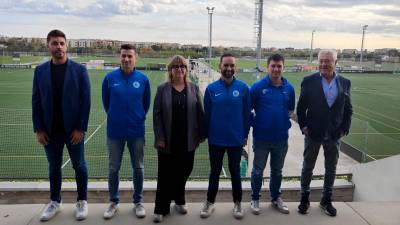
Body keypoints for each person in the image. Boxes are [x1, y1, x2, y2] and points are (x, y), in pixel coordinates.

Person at [32, 29, 91, 221]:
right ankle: (55, 202)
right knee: (53, 168)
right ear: (48, 46)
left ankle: (82, 201)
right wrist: (39, 128)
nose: (59, 47)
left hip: (73, 131)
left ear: (67, 45)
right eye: (54, 43)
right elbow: (36, 101)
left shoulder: (79, 70)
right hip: (50, 131)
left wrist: (80, 128)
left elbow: (86, 101)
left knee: (79, 166)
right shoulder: (40, 71)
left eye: (61, 43)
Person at [296, 49, 353, 217]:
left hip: (335, 134)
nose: (323, 64)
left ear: (335, 62)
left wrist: (344, 128)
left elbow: (348, 109)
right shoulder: (308, 81)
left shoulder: (345, 82)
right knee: (308, 167)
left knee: (331, 169)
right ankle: (304, 198)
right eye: (321, 61)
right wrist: (304, 127)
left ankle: (326, 200)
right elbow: (301, 108)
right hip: (313, 133)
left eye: (327, 61)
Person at [152, 55, 205, 223]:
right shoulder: (162, 89)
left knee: (185, 170)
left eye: (182, 67)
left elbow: (199, 113)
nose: (179, 70)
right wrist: (160, 137)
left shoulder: (193, 89)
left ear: (186, 70)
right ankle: (162, 208)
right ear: (170, 70)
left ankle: (179, 199)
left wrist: (201, 135)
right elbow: (157, 115)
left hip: (188, 139)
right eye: (176, 67)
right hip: (167, 140)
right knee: (165, 174)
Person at [101, 44, 151, 219]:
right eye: (123, 56)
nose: (126, 59)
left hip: (136, 131)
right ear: (119, 57)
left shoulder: (143, 79)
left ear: (135, 58)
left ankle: (138, 202)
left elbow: (146, 105)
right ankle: (113, 202)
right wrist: (117, 117)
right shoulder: (109, 78)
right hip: (115, 132)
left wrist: (136, 118)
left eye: (130, 56)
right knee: (113, 168)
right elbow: (106, 104)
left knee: (138, 167)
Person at [200, 53, 251, 220]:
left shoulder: (243, 88)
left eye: (231, 66)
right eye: (225, 65)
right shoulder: (211, 89)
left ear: (235, 67)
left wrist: (245, 135)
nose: (229, 68)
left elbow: (246, 115)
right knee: (214, 172)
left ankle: (237, 203)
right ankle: (209, 202)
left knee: (235, 172)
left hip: (236, 140)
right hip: (216, 140)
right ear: (219, 66)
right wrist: (206, 134)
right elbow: (207, 115)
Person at [249, 54, 295, 215]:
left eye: (279, 66)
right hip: (261, 139)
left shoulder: (289, 88)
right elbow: (248, 110)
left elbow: (290, 110)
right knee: (257, 171)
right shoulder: (257, 87)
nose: (276, 69)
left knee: (277, 171)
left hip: (281, 139)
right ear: (267, 67)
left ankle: (276, 198)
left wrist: (281, 123)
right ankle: (255, 198)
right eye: (273, 66)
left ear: (283, 68)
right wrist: (257, 123)